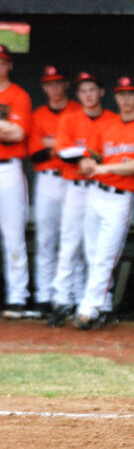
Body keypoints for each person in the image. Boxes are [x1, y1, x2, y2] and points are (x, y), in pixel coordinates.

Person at [73, 76, 134, 329]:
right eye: (121, 94)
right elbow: (91, 156)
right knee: (92, 254)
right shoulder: (107, 124)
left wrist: (103, 167)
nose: (126, 99)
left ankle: (87, 308)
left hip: (120, 198)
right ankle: (103, 305)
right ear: (116, 97)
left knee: (106, 256)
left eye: (131, 94)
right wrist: (87, 164)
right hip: (96, 193)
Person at [48, 71, 118, 327]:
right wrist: (90, 156)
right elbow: (63, 152)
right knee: (69, 244)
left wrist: (88, 155)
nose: (88, 95)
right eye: (83, 91)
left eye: (92, 90)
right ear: (78, 95)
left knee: (98, 249)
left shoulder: (113, 120)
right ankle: (62, 300)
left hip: (101, 187)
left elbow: (113, 154)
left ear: (101, 92)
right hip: (76, 187)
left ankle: (102, 302)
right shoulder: (69, 118)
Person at [27, 65, 81, 318]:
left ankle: (71, 296)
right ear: (44, 87)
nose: (54, 88)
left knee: (73, 240)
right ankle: (45, 296)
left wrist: (54, 144)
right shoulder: (38, 115)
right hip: (47, 180)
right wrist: (64, 146)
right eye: (50, 83)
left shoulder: (78, 111)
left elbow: (82, 150)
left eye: (59, 82)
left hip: (72, 181)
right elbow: (36, 154)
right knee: (46, 240)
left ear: (66, 85)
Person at [0, 45, 32, 319]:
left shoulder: (18, 95)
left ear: (9, 65)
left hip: (8, 170)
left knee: (13, 235)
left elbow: (17, 133)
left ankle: (17, 297)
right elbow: (6, 130)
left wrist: (8, 130)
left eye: (2, 62)